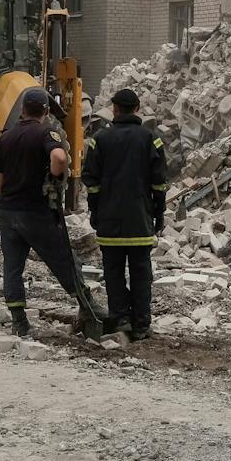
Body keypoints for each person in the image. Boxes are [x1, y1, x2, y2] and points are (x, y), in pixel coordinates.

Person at [0, 87, 104, 338]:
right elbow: (60, 158)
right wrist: (54, 176)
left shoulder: (6, 137)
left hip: (9, 211)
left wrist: (1, 206)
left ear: (22, 109)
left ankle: (19, 321)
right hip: (37, 211)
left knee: (12, 267)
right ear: (45, 111)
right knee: (64, 260)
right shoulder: (46, 132)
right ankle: (89, 309)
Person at [81, 87, 168, 340]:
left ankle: (121, 320)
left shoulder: (100, 139)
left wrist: (95, 211)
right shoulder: (151, 139)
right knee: (141, 272)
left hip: (109, 221)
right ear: (138, 109)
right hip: (140, 220)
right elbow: (159, 182)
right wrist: (158, 213)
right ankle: (141, 325)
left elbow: (91, 180)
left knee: (114, 272)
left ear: (115, 109)